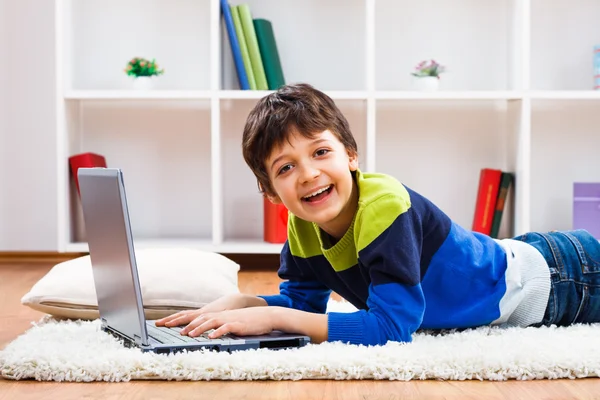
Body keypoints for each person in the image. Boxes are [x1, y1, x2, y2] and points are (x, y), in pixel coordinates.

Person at [156, 83, 600, 346]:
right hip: (524, 260)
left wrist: (273, 318)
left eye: (321, 152)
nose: (308, 174)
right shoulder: (303, 226)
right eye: (286, 168)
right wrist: (244, 304)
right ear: (271, 192)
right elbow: (300, 305)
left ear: (351, 155)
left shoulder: (384, 206)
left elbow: (392, 326)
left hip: (562, 279)